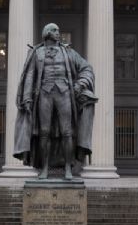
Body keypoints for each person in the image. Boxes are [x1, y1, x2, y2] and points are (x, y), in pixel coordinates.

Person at [13, 23, 96, 180]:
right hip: (44, 93)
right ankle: (44, 168)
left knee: (67, 132)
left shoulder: (68, 52)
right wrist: (26, 97)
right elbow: (30, 75)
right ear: (47, 33)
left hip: (65, 93)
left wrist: (80, 84)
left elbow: (86, 68)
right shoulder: (37, 53)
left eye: (58, 30)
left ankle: (68, 168)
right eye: (55, 30)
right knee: (44, 133)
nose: (58, 33)